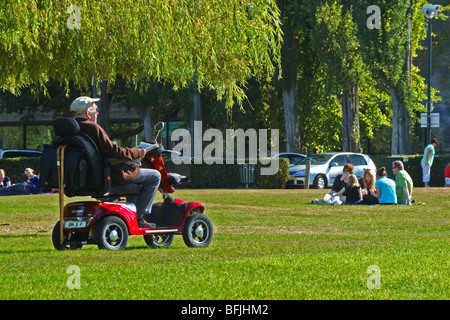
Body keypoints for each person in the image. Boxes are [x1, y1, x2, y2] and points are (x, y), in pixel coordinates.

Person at [70, 96, 161, 229]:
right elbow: (115, 152)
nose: (97, 112)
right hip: (112, 175)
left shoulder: (73, 130)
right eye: (96, 110)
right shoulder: (92, 128)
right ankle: (139, 217)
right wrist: (140, 152)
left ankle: (131, 215)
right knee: (154, 176)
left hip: (89, 177)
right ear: (88, 113)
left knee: (137, 181)